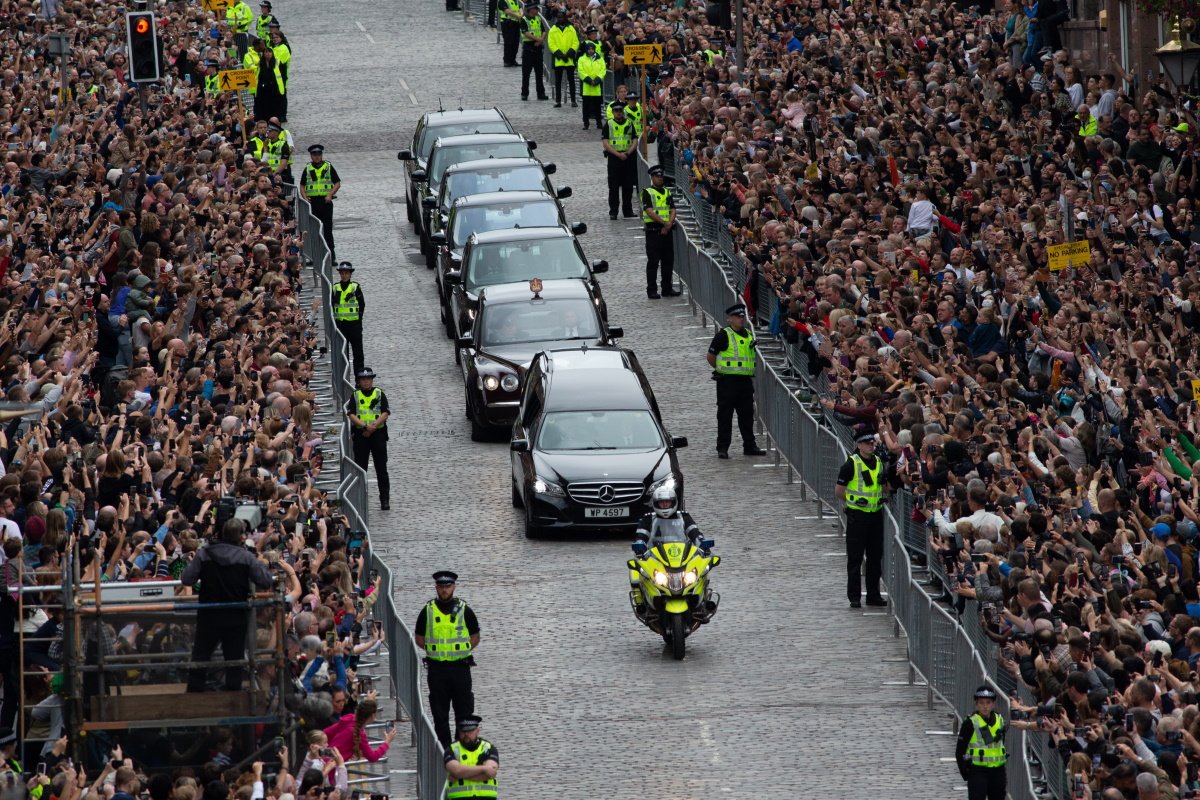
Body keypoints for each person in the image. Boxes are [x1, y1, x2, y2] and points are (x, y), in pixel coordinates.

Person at [180, 518, 273, 692]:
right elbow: (265, 579)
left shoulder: (204, 554)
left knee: (200, 656)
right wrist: (258, 559)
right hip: (235, 617)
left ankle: (193, 695)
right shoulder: (246, 557)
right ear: (241, 537)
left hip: (208, 616)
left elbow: (187, 579)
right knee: (234, 660)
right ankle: (233, 696)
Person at [414, 571, 480, 749]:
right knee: (439, 714)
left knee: (464, 712)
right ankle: (445, 751)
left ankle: (462, 747)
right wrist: (435, 651)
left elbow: (475, 635)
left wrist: (462, 650)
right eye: (441, 587)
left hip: (460, 669)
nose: (444, 590)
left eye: (448, 586)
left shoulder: (464, 609)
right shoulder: (428, 611)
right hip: (437, 670)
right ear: (436, 588)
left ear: (454, 587)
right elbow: (419, 638)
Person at [835, 432, 890, 609]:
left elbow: (884, 487)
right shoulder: (851, 464)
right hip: (857, 516)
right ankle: (854, 596)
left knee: (875, 557)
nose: (871, 445)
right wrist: (851, 504)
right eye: (867, 443)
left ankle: (873, 595)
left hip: (875, 515)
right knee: (855, 558)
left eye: (872, 442)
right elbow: (839, 491)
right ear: (859, 445)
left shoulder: (879, 462)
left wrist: (885, 487)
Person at [629, 486, 708, 608]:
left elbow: (695, 534)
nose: (665, 505)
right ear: (656, 503)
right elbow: (641, 536)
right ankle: (641, 603)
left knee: (703, 570)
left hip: (682, 556)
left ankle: (704, 601)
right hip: (655, 557)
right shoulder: (648, 518)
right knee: (636, 574)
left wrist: (703, 544)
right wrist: (639, 546)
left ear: (674, 502)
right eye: (661, 502)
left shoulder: (684, 517)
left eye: (668, 502)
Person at [705, 304, 767, 459]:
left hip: (745, 382)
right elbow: (710, 357)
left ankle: (749, 445)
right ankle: (723, 448)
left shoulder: (748, 335)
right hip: (727, 382)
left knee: (746, 415)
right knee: (725, 415)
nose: (741, 319)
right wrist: (720, 369)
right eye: (738, 317)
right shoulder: (723, 335)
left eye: (742, 316)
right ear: (730, 319)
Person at [955, 686, 1038, 799]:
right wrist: (965, 773)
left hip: (998, 771)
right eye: (981, 703)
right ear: (976, 704)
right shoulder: (970, 723)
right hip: (978, 771)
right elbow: (960, 750)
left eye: (988, 702)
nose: (985, 706)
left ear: (993, 704)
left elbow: (1000, 744)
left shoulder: (999, 719)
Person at [346, 368, 390, 511]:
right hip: (361, 435)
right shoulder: (355, 395)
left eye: (368, 379)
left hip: (378, 435)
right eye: (363, 379)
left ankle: (384, 499)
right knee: (361, 469)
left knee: (381, 469)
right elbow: (351, 414)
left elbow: (385, 413)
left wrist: (373, 426)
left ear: (372, 380)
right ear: (359, 381)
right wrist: (365, 426)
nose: (366, 381)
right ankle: (360, 499)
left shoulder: (379, 394)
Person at [641, 164, 678, 299]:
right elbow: (649, 211)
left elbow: (673, 209)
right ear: (652, 178)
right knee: (653, 262)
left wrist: (668, 224)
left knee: (668, 261)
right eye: (657, 176)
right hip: (653, 231)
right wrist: (664, 223)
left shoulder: (667, 192)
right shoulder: (647, 192)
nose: (660, 179)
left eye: (661, 176)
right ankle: (651, 290)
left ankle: (666, 288)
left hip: (666, 231)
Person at [444, 715, 498, 800]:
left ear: (477, 731)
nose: (466, 734)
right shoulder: (451, 750)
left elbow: (491, 773)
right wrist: (483, 769)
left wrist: (459, 776)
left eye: (470, 731)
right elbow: (457, 771)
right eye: (463, 731)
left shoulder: (488, 748)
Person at [300, 144, 340, 259]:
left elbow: (337, 183)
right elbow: (302, 185)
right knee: (314, 229)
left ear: (321, 155)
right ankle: (315, 256)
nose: (317, 157)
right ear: (311, 156)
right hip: (313, 203)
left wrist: (330, 194)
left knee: (327, 229)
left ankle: (331, 255)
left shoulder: (328, 167)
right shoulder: (308, 168)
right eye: (314, 155)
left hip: (325, 202)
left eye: (318, 155)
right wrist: (305, 198)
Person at [603, 103, 637, 220]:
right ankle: (613, 211)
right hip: (614, 158)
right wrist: (618, 154)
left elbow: (634, 140)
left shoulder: (629, 123)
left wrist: (628, 153)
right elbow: (606, 143)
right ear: (613, 112)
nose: (618, 112)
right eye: (616, 110)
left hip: (627, 157)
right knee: (613, 187)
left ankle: (627, 211)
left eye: (620, 110)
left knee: (628, 186)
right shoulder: (609, 124)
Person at [331, 262, 366, 376]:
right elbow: (331, 305)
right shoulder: (335, 287)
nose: (344, 275)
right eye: (342, 273)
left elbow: (362, 305)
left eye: (346, 273)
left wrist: (358, 319)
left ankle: (359, 378)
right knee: (343, 353)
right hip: (341, 325)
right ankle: (344, 377)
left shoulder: (355, 287)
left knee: (358, 354)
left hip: (354, 325)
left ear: (350, 274)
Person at [547, 9, 578, 108]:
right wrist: (560, 54)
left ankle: (573, 100)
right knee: (558, 81)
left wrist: (568, 54)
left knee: (571, 81)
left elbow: (575, 42)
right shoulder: (553, 29)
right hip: (558, 59)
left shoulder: (571, 28)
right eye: (558, 17)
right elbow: (551, 44)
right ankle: (558, 101)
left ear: (565, 17)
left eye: (562, 17)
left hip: (569, 58)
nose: (560, 19)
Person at [519, 3, 548, 101]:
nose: (537, 10)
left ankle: (541, 93)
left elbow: (544, 31)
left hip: (538, 48)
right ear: (530, 9)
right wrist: (537, 39)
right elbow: (525, 32)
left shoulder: (538, 19)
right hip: (528, 48)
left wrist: (541, 40)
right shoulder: (524, 20)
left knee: (539, 72)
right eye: (535, 8)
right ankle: (524, 93)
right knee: (526, 73)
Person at [576, 40, 605, 130]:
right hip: (587, 85)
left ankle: (599, 123)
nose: (590, 50)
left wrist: (597, 80)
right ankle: (586, 123)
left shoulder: (600, 59)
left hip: (596, 85)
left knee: (597, 106)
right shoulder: (582, 59)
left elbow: (603, 70)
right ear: (586, 50)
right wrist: (589, 80)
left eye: (592, 49)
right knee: (586, 106)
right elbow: (581, 71)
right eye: (589, 49)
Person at [498, 0, 522, 66]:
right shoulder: (503, 1)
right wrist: (518, 16)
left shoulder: (516, 1)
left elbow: (520, 9)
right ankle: (507, 61)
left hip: (516, 23)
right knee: (508, 42)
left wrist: (521, 15)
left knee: (516, 43)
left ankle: (512, 60)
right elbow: (507, 11)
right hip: (507, 23)